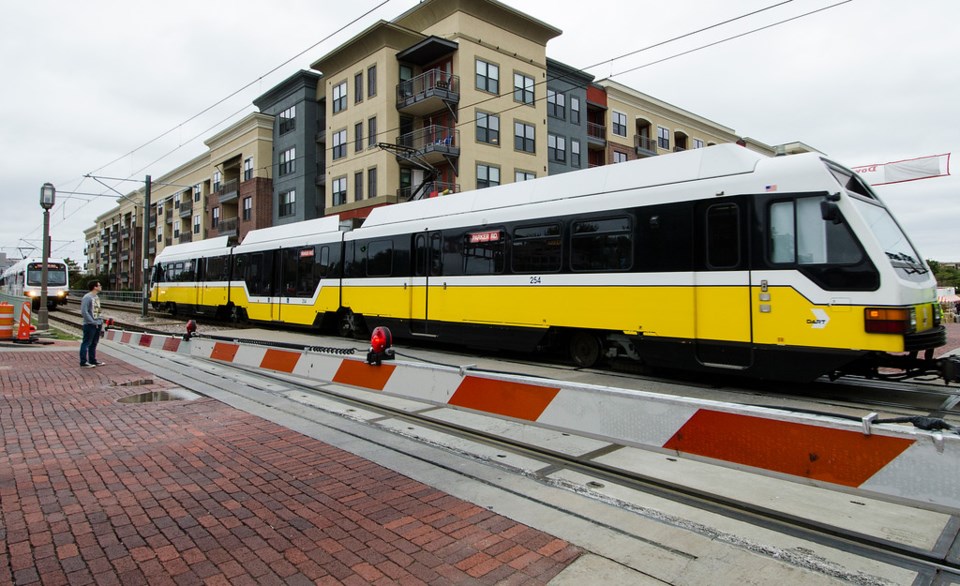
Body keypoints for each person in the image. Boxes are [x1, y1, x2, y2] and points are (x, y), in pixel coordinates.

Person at [79, 280, 105, 368]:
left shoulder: (96, 297)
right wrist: (92, 321)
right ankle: (83, 361)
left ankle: (92, 359)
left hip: (97, 323)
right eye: (99, 285)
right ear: (95, 287)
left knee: (94, 343)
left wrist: (100, 321)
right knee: (86, 342)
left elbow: (97, 310)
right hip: (90, 324)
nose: (101, 287)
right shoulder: (87, 297)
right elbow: (84, 311)